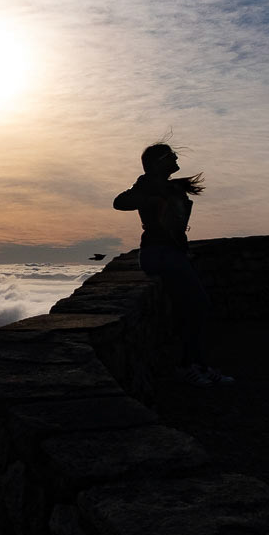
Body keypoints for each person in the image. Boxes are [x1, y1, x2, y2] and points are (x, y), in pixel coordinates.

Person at [113, 143, 233, 386]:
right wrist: (152, 199)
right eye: (172, 156)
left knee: (192, 308)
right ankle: (188, 366)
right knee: (197, 305)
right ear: (158, 162)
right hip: (159, 253)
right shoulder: (147, 184)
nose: (177, 158)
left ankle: (196, 364)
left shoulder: (169, 186)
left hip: (171, 253)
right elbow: (120, 202)